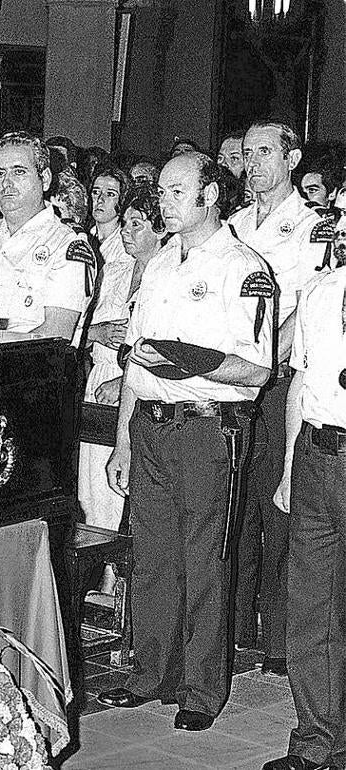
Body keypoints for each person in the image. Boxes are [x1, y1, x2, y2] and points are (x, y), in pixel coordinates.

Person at [99, 152, 273, 731]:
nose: (162, 201)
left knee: (205, 562)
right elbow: (138, 361)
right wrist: (124, 440)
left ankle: (201, 689)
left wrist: (191, 364)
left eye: (175, 191)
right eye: (162, 191)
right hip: (150, 424)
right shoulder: (155, 268)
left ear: (209, 196)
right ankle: (152, 674)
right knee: (152, 560)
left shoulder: (243, 268)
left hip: (206, 428)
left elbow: (256, 371)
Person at [227, 121, 324, 675]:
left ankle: (281, 640)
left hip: (279, 378)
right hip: (230, 380)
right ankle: (237, 626)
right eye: (247, 154)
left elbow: (303, 309)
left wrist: (264, 360)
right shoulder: (232, 226)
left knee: (279, 507)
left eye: (265, 153)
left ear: (291, 159)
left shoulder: (312, 229)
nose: (254, 163)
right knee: (236, 502)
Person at [264, 217, 346, 770]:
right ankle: (319, 741)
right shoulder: (319, 292)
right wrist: (292, 467)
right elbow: (301, 383)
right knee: (310, 611)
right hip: (319, 459)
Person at [0, 131, 92, 340]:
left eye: (18, 172)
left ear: (44, 179)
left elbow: (56, 334)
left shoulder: (66, 244)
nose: (6, 183)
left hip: (33, 370)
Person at [78, 184, 161, 533]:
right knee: (93, 485)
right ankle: (102, 573)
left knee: (131, 485)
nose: (125, 232)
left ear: (160, 229)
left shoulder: (168, 274)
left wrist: (124, 378)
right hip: (100, 377)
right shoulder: (112, 268)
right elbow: (79, 325)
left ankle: (121, 578)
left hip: (139, 385)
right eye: (124, 223)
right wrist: (97, 333)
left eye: (136, 224)